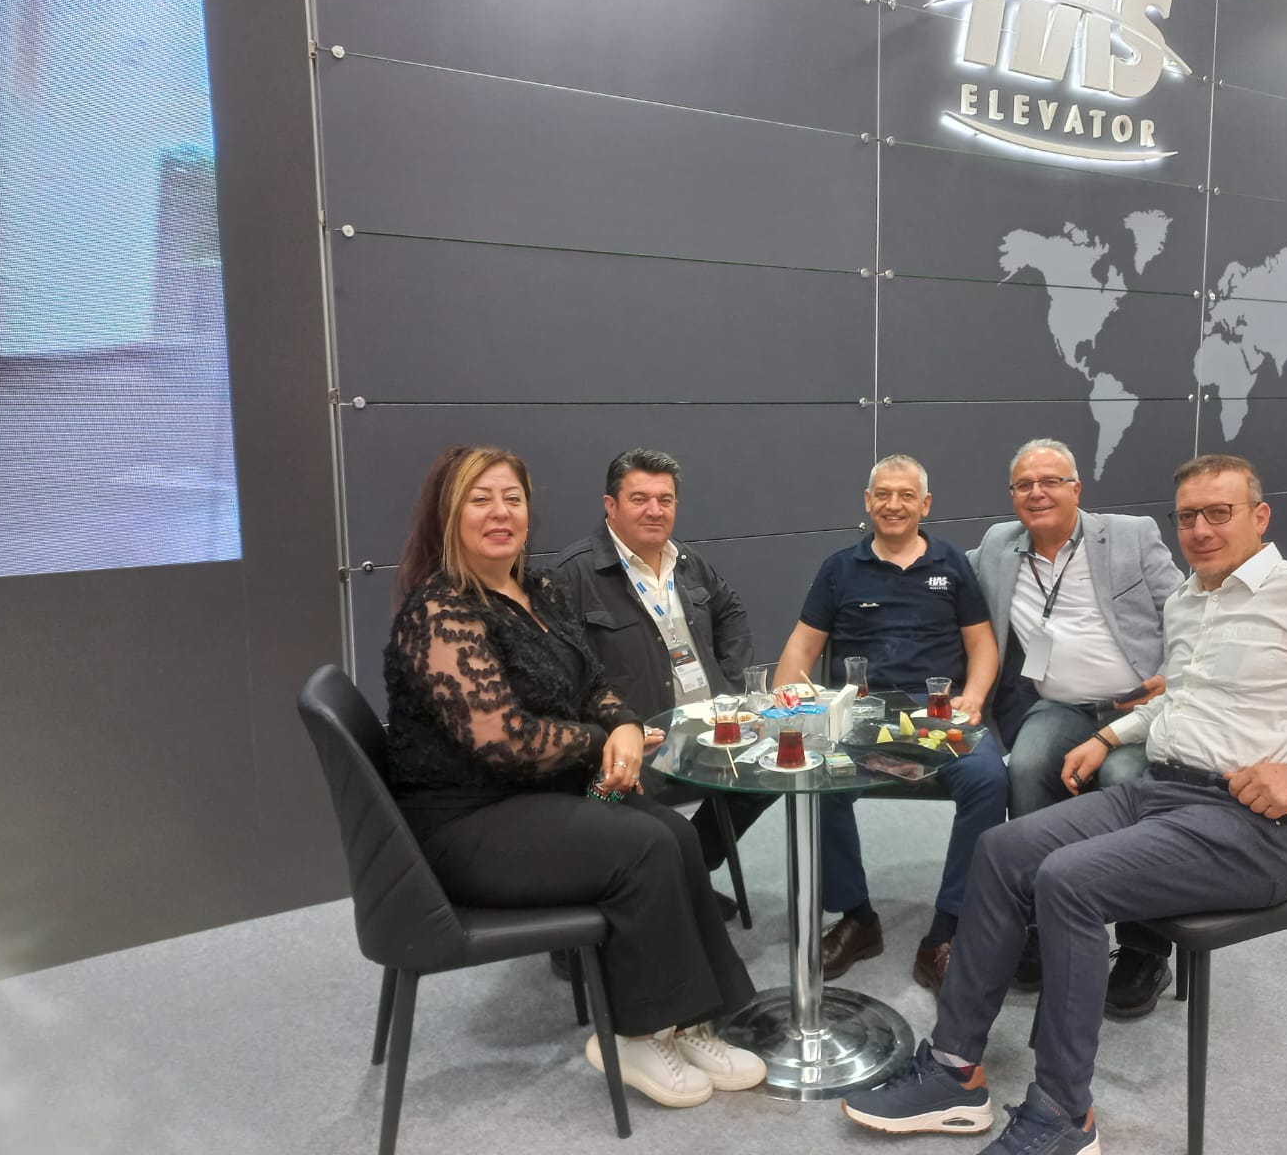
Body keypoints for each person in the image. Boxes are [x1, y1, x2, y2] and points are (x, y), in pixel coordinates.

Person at [840, 453, 1287, 1153]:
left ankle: (1064, 1115)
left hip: (1256, 827)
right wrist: (1109, 736)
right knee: (1002, 850)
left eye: (1220, 513)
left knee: (1069, 881)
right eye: (1188, 517)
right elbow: (1181, 699)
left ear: (1260, 516)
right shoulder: (1188, 601)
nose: (1201, 530)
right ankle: (953, 1071)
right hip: (1165, 790)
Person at [382, 445, 764, 1109]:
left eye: (512, 499)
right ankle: (637, 1034)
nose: (500, 513)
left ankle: (692, 1022)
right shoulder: (440, 611)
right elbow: (502, 741)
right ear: (448, 514)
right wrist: (599, 741)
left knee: (673, 834)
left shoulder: (540, 591)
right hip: (467, 823)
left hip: (535, 797)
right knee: (643, 847)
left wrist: (621, 724)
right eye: (480, 499)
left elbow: (595, 684)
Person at [772, 454, 1004, 993]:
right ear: (867, 501)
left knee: (990, 781)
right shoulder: (839, 569)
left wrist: (973, 697)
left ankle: (948, 928)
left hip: (937, 715)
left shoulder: (952, 564)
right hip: (862, 714)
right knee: (815, 778)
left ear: (925, 504)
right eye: (883, 494)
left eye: (906, 495)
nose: (893, 505)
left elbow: (982, 645)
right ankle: (857, 917)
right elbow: (802, 647)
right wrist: (787, 710)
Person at [970, 439, 1183, 1010]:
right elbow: (935, 574)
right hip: (1060, 706)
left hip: (1134, 706)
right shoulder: (997, 546)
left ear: (1076, 488)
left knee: (1125, 781)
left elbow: (1185, 610)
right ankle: (1038, 924)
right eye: (1024, 485)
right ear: (1012, 495)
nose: (1037, 493)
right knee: (1027, 766)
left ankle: (1144, 947)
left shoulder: (1131, 535)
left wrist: (1173, 677)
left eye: (1051, 481)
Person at [551, 448, 775, 904]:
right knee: (620, 810)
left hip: (709, 728)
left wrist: (730, 683)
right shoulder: (573, 575)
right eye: (640, 499)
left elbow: (731, 611)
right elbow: (561, 675)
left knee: (771, 772)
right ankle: (641, 896)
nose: (655, 510)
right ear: (611, 506)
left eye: (665, 500)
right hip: (641, 741)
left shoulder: (686, 561)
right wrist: (612, 731)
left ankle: (689, 876)